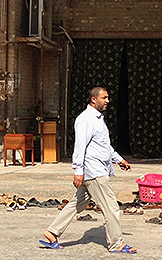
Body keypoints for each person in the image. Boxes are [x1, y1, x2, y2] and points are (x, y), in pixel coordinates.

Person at [39, 87, 136, 254]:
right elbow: (80, 146)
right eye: (104, 98)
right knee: (111, 207)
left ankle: (52, 232)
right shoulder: (85, 119)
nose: (107, 101)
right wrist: (78, 170)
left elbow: (104, 146)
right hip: (95, 172)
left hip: (96, 169)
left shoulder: (98, 119)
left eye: (108, 97)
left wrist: (119, 159)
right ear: (93, 99)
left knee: (77, 203)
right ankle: (116, 243)